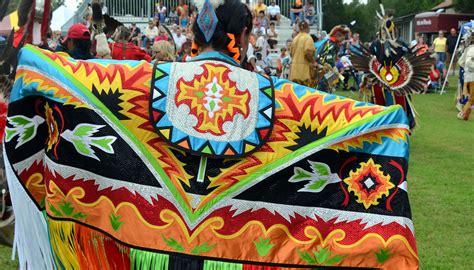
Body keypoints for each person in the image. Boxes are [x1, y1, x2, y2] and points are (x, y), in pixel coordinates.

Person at [5, 0, 418, 268]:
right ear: (239, 38)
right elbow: (333, 117)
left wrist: (39, 72)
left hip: (146, 245)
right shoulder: (281, 99)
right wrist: (388, 124)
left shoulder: (143, 80)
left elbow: (74, 79)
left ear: (194, 35)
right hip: (233, 251)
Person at [289, 21, 316, 86]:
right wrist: (313, 62)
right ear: (307, 28)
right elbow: (307, 52)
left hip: (294, 70)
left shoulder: (295, 38)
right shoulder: (308, 38)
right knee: (304, 92)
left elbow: (291, 53)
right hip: (304, 71)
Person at [457, 34, 474, 120]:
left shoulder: (468, 48)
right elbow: (467, 62)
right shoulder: (472, 49)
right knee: (471, 98)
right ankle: (462, 113)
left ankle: (464, 113)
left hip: (468, 76)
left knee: (471, 98)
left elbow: (461, 61)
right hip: (471, 77)